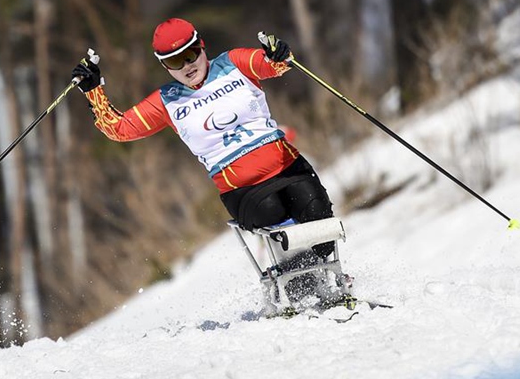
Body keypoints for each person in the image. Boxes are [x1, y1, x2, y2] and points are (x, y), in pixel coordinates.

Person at [71, 18, 334, 261]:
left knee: (315, 210)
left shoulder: (234, 63)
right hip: (243, 190)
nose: (187, 66)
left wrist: (279, 53)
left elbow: (274, 65)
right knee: (271, 211)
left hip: (288, 168)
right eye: (175, 62)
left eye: (190, 54)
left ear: (201, 46)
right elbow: (119, 129)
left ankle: (330, 275)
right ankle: (296, 281)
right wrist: (93, 90)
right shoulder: (167, 101)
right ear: (164, 65)